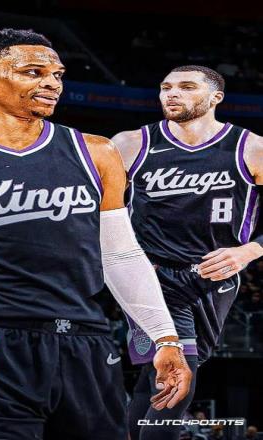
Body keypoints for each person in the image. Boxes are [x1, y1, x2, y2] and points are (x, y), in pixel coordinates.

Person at [0, 28, 192, 440]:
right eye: (33, 72)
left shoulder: (96, 151)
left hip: (86, 339)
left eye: (57, 74)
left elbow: (121, 255)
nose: (52, 83)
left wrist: (165, 338)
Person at [111, 65, 263, 440]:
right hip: (153, 276)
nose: (172, 93)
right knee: (180, 375)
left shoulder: (251, 148)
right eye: (166, 87)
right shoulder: (131, 144)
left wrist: (249, 251)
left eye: (186, 87)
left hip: (217, 277)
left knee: (156, 377)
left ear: (216, 98)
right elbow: (96, 211)